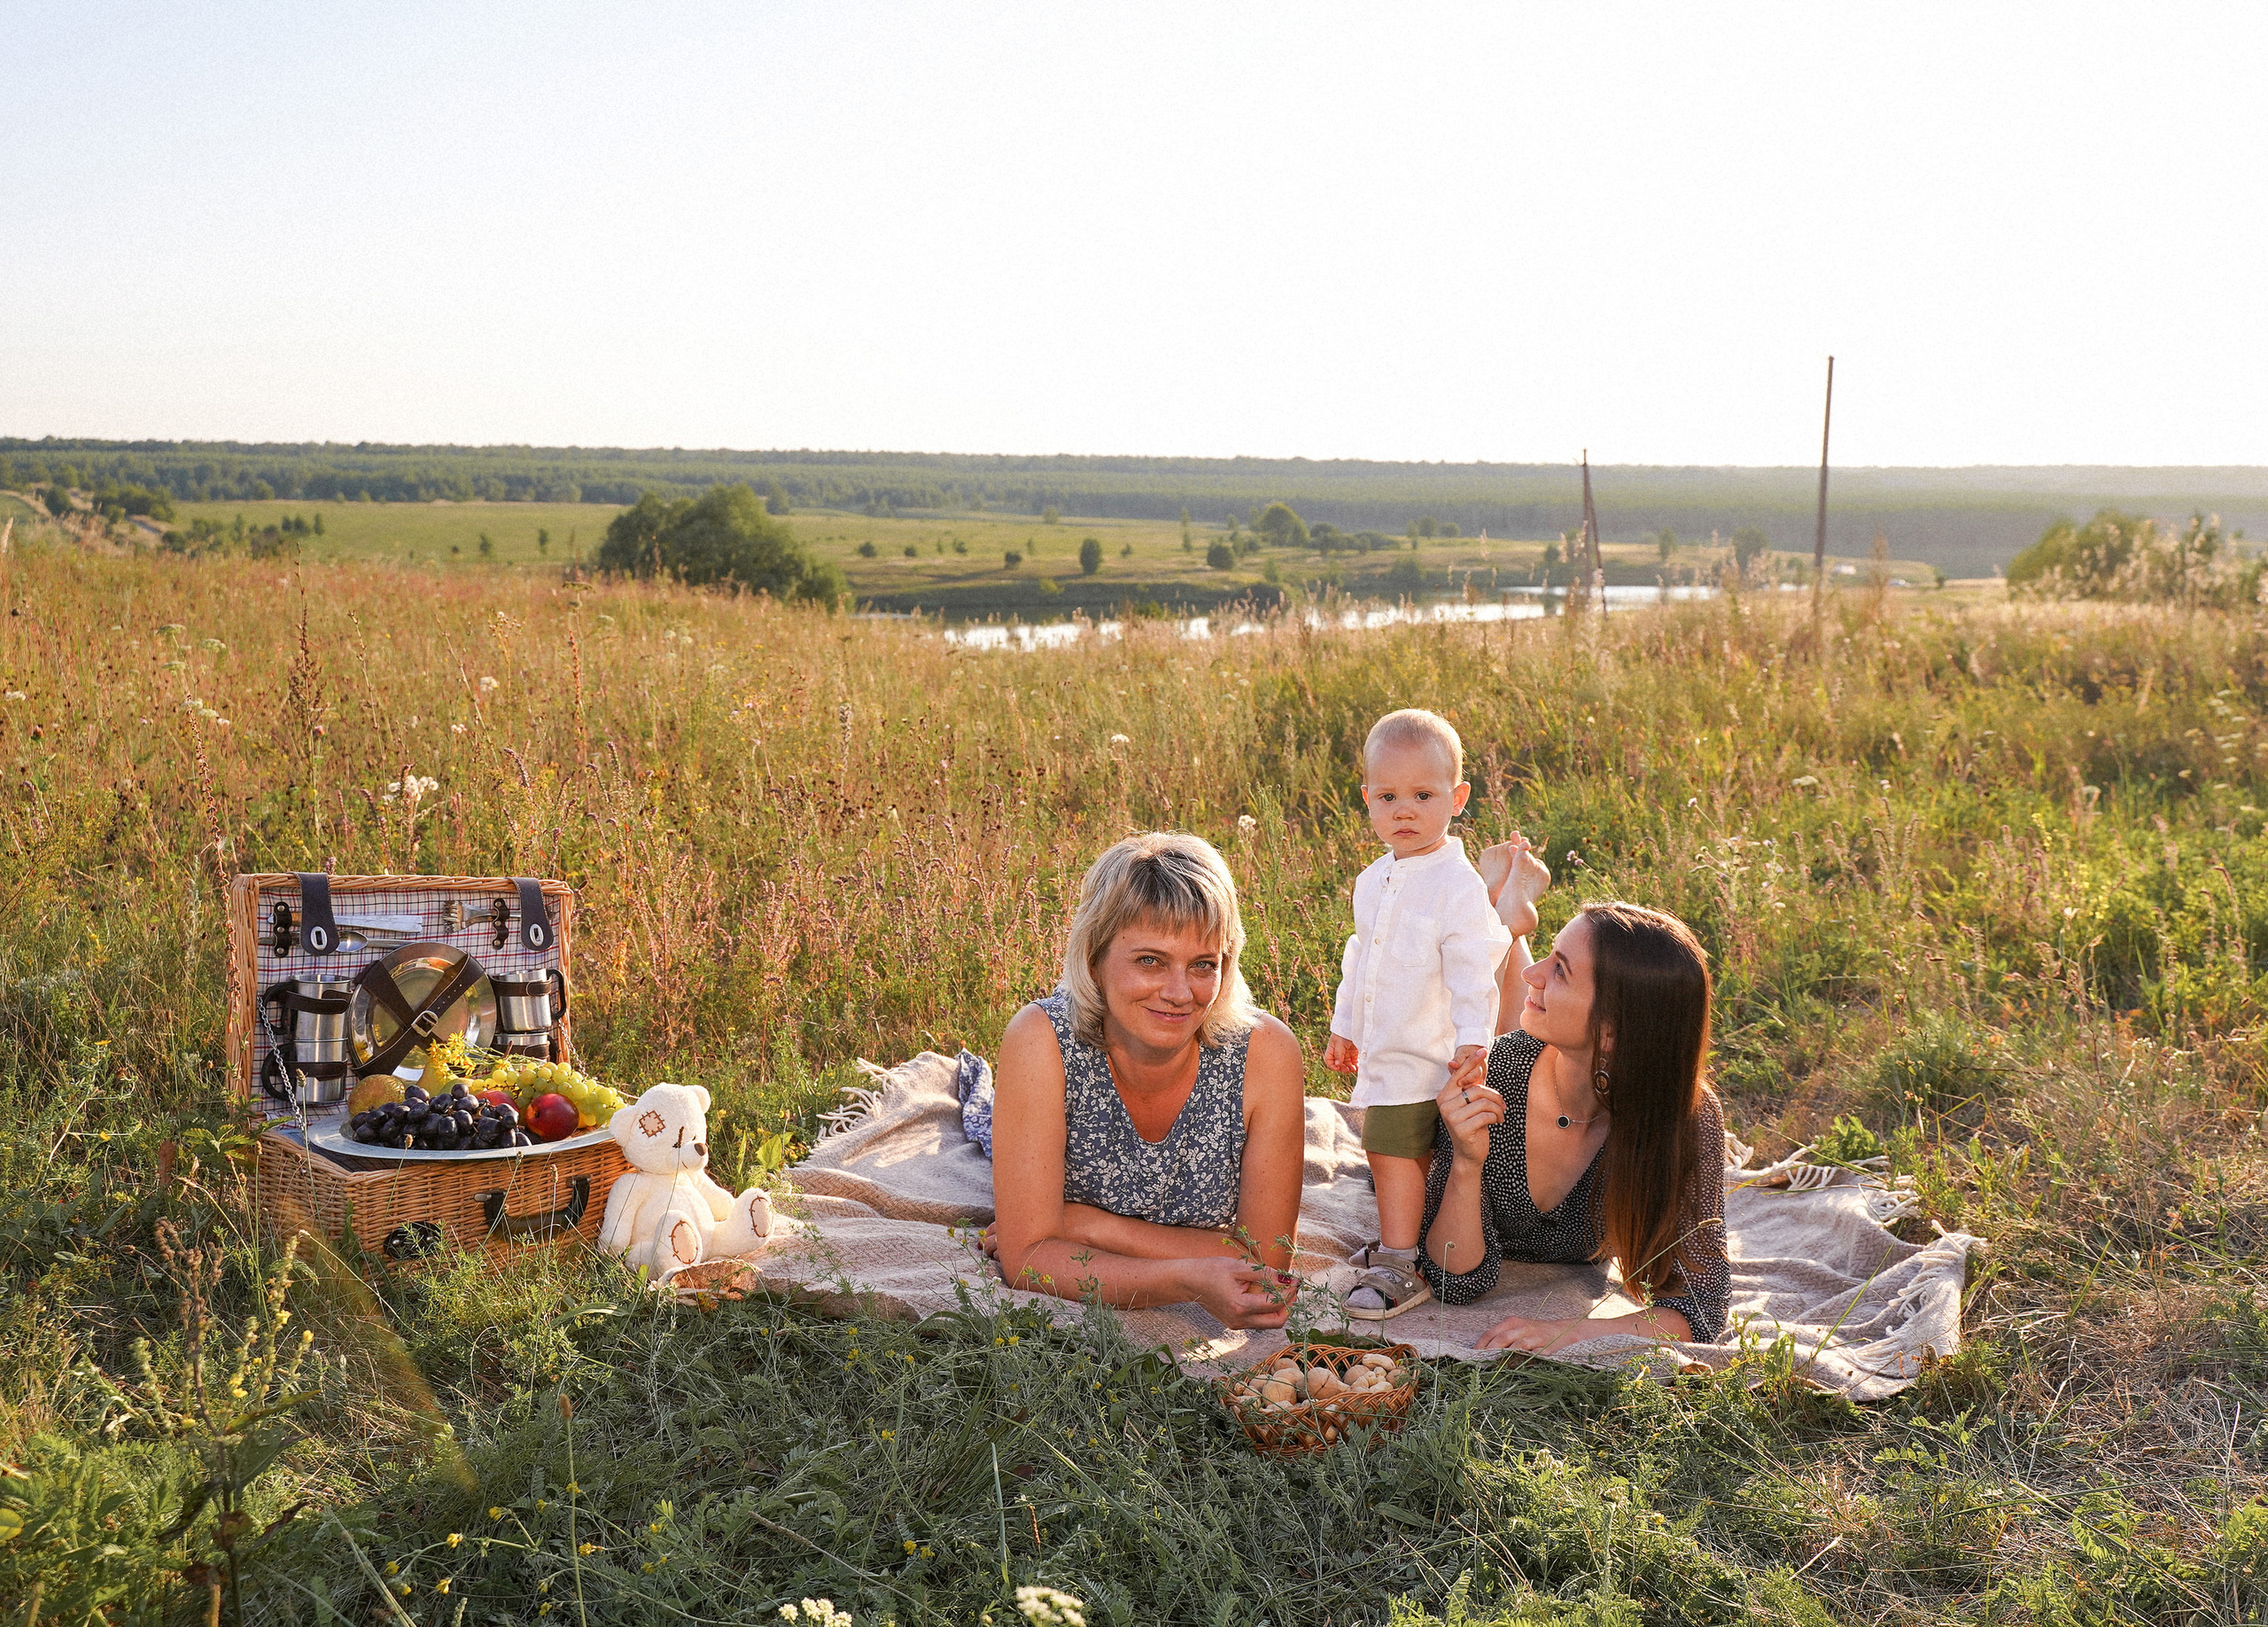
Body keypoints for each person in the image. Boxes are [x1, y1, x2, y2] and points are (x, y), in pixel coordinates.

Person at [985, 832, 1309, 1329]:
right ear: (1095, 957)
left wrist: (1088, 1226)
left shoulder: (1266, 1053)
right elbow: (1028, 1261)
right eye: (1150, 960)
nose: (1180, 993)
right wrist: (1188, 1278)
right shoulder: (1041, 1039)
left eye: (1204, 964)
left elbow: (1264, 1267)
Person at [1420, 843, 1729, 1351]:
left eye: (1560, 968)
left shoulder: (1684, 1116)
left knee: (1525, 1014)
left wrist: (1575, 1332)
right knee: (1498, 1026)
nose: (1534, 974)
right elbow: (1455, 1280)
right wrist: (1466, 1163)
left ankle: (1509, 921)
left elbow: (1702, 1306)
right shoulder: (1491, 1078)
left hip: (1584, 1062)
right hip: (1516, 1060)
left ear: (1613, 1031)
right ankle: (1505, 923)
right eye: (1548, 957)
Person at [1323, 709, 1511, 1319]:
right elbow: (1359, 960)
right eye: (1388, 796)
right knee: (1401, 1152)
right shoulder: (1372, 881)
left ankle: (1400, 1261)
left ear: (1456, 799)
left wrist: (1474, 1037)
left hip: (1428, 1054)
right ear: (1367, 801)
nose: (1404, 810)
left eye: (1423, 795)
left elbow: (1471, 968)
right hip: (1387, 1048)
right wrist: (1344, 1024)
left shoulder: (1455, 884)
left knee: (1389, 1152)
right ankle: (1416, 1235)